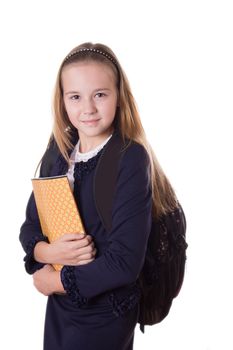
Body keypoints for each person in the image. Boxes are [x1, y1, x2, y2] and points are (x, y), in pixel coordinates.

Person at [19, 42, 178, 350]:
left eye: (100, 95)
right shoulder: (59, 153)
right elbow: (29, 227)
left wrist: (55, 281)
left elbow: (124, 263)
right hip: (61, 309)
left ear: (119, 98)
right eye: (75, 97)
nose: (88, 108)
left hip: (106, 313)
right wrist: (47, 254)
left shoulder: (130, 158)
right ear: (62, 101)